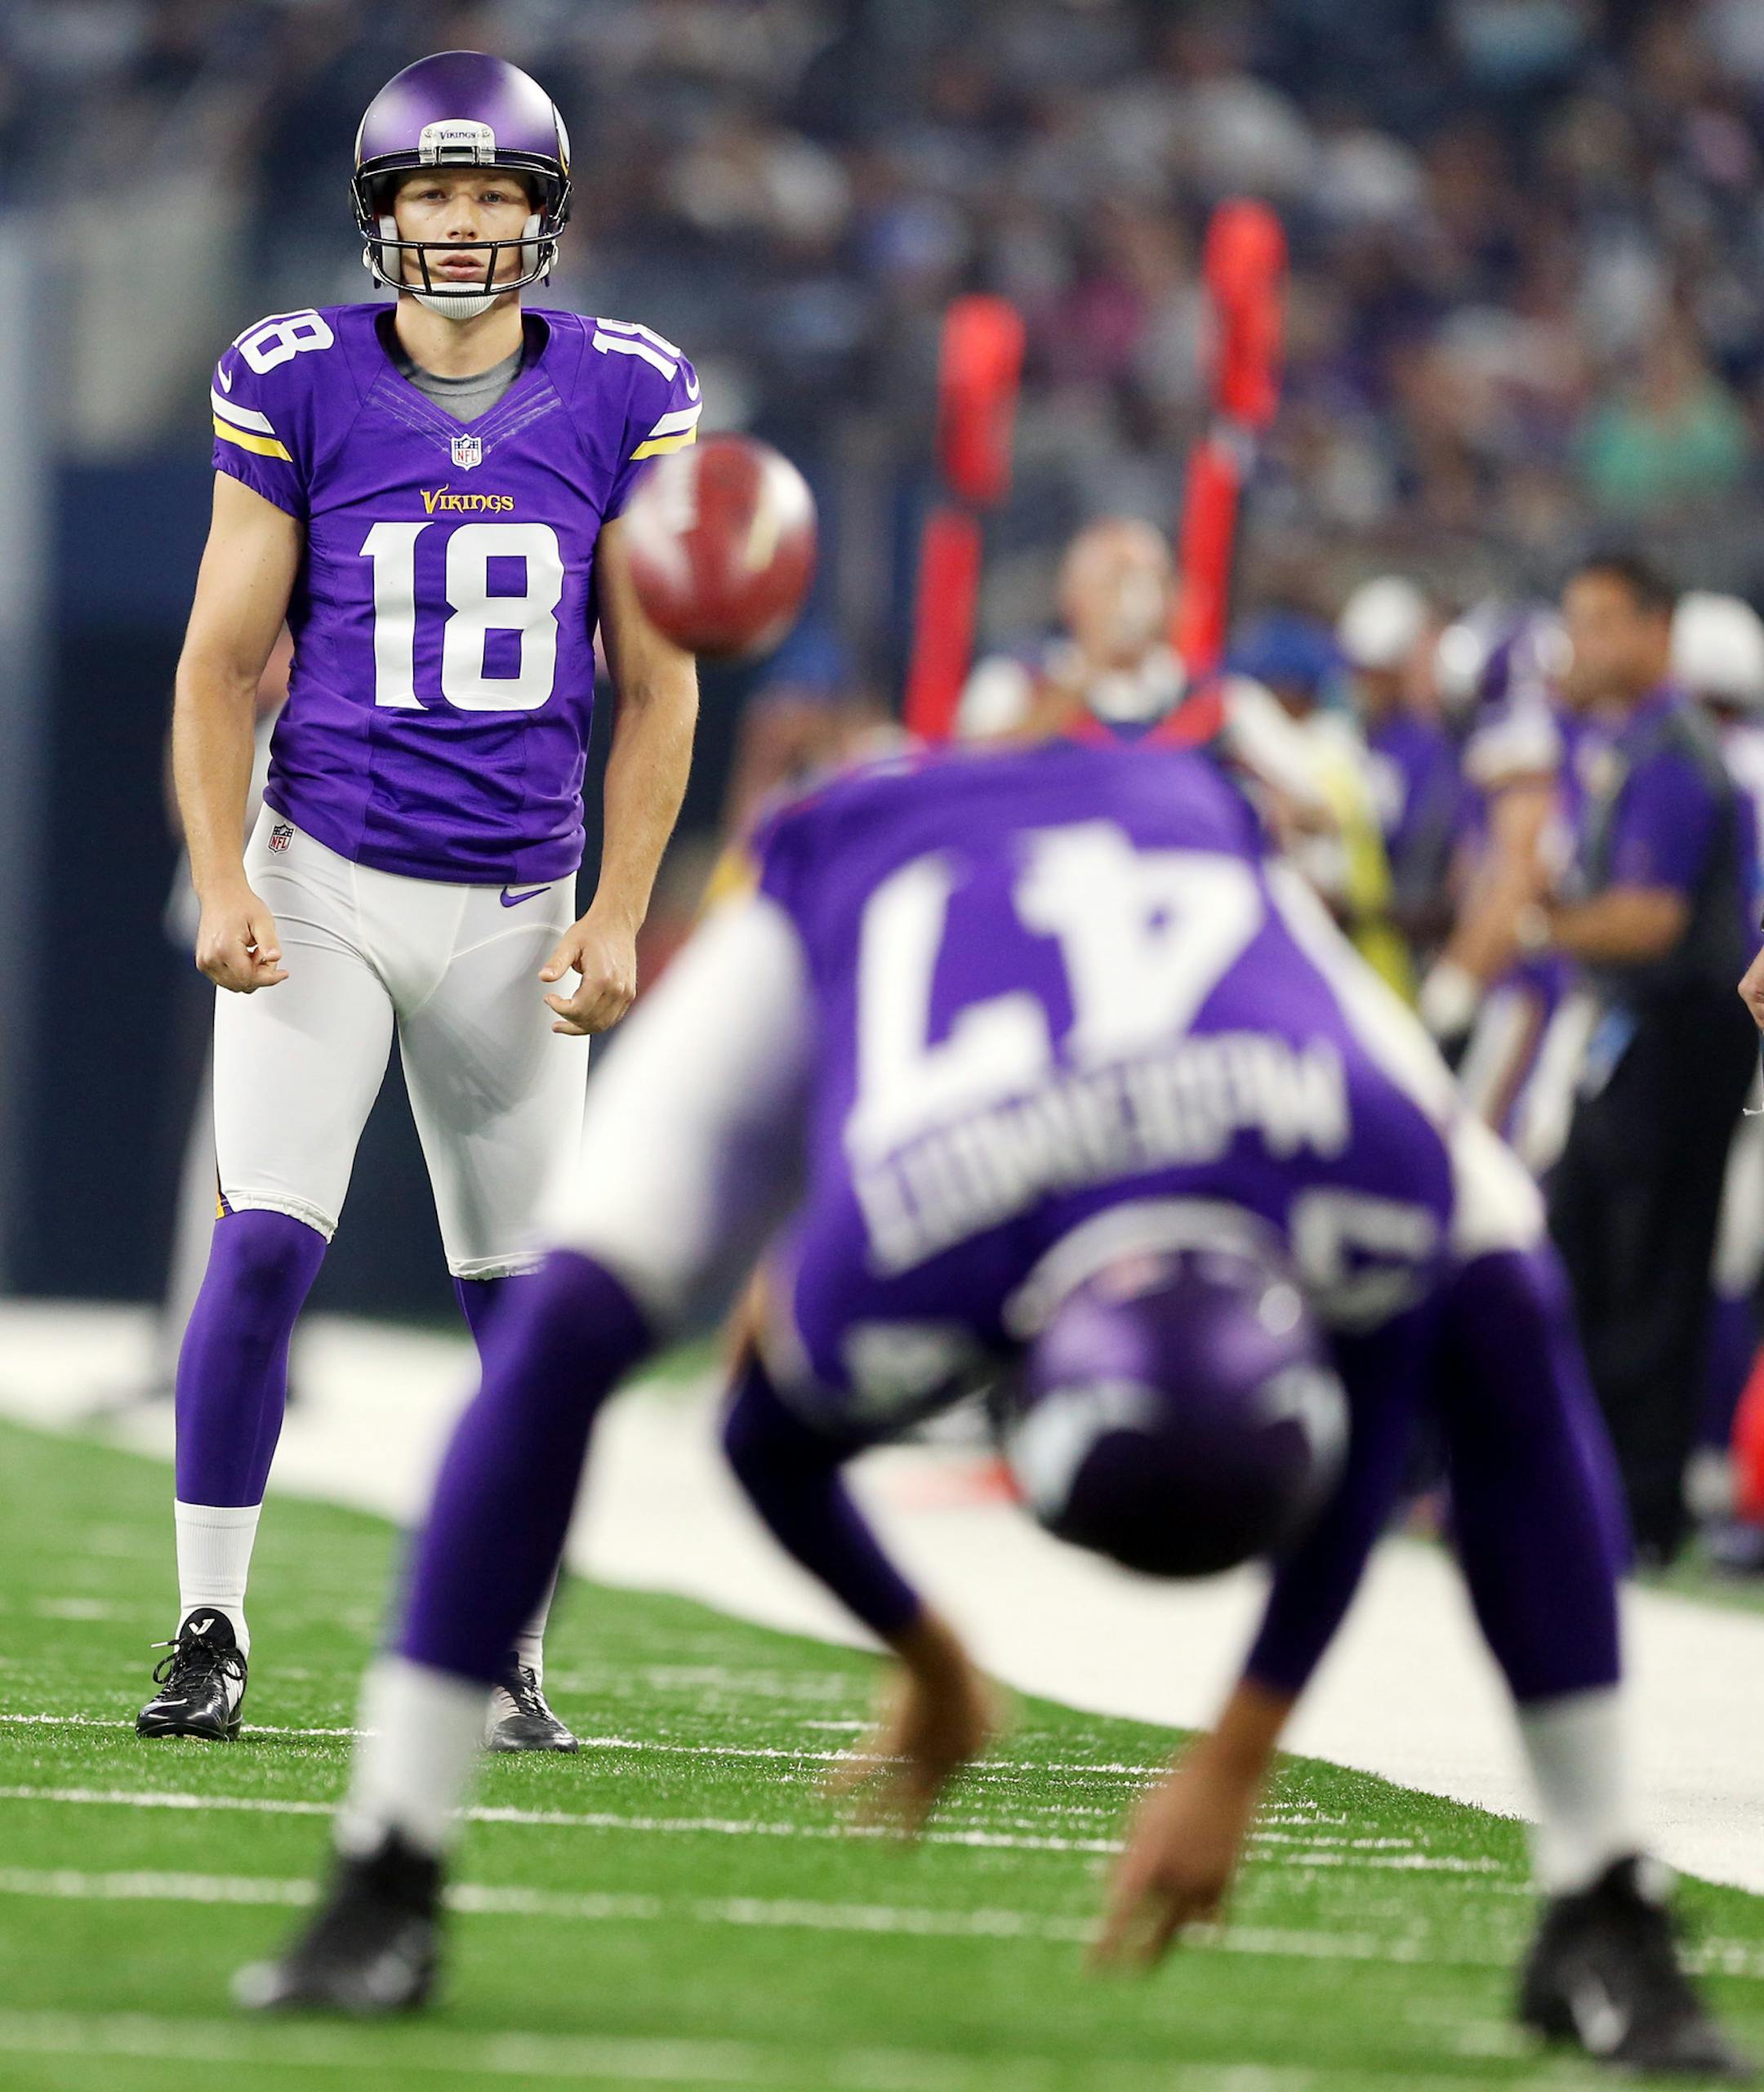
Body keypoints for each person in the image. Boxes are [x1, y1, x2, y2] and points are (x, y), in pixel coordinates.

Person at [240, 738, 1744, 2076]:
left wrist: (1231, 1745)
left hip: (1188, 836)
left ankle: (1606, 1900)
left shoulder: (1361, 1168)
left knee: (1500, 1299)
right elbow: (752, 1429)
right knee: (571, 1316)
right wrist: (940, 1649)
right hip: (871, 860)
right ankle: (388, 1863)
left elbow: (1380, 1392)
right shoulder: (920, 1233)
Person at [137, 50, 702, 1751]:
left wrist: (619, 912)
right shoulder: (299, 379)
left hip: (524, 904)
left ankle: (510, 1646)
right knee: (259, 1252)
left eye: (497, 195)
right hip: (328, 874)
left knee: (523, 1301)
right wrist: (228, 869)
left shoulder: (627, 388)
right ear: (383, 216)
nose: (464, 226)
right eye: (435, 195)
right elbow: (221, 661)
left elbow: (658, 686)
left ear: (544, 216)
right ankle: (208, 1622)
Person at [1532, 555, 1757, 1563]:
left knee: (1648, 1271)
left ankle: (1637, 1509)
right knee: (1592, 1256)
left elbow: (1651, 919)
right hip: (1641, 1035)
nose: (1579, 640)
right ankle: (1595, 1494)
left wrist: (1541, 923)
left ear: (1655, 629)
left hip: (1674, 1038)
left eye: (1599, 619)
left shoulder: (1671, 748)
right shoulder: (1624, 742)